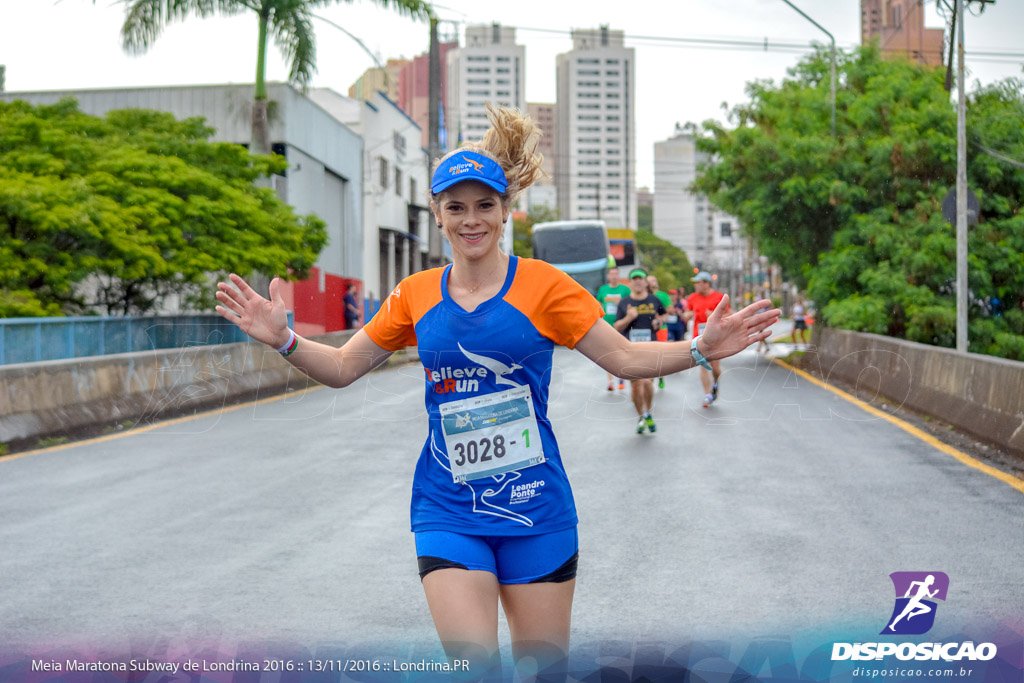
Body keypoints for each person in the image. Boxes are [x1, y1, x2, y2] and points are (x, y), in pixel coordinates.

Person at [214, 104, 779, 682]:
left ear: (506, 210)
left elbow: (625, 358)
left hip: (537, 507)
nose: (471, 219)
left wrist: (701, 348)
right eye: (456, 207)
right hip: (447, 507)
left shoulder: (544, 286)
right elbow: (340, 367)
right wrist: (283, 339)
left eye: (485, 205)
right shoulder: (413, 294)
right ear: (437, 214)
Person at [615, 268, 666, 434]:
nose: (637, 281)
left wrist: (659, 323)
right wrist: (629, 317)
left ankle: (649, 411)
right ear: (630, 282)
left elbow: (664, 316)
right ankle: (641, 415)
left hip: (651, 349)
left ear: (645, 282)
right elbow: (617, 326)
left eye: (640, 278)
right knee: (636, 386)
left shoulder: (654, 300)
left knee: (646, 382)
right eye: (634, 279)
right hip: (631, 350)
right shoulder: (624, 303)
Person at [685, 272, 729, 408]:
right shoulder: (692, 297)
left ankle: (715, 383)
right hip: (699, 337)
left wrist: (716, 315)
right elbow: (687, 313)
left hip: (716, 338)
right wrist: (688, 314)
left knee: (715, 368)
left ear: (706, 283)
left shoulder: (719, 297)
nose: (696, 286)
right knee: (703, 365)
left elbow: (731, 314)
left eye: (698, 283)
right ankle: (708, 394)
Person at [594, 267, 631, 391]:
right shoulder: (603, 289)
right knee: (608, 353)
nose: (614, 276)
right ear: (608, 276)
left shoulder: (625, 289)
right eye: (612, 274)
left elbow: (630, 304)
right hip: (607, 324)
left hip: (621, 324)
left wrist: (621, 304)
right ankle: (610, 381)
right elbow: (598, 303)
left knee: (620, 351)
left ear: (619, 276)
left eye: (616, 274)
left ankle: (621, 375)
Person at [646, 275, 672, 389]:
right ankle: (649, 378)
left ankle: (660, 375)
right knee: (649, 354)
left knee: (660, 354)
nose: (652, 282)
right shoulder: (644, 296)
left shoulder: (662, 295)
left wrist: (660, 315)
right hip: (647, 329)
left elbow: (669, 310)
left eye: (654, 280)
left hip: (661, 328)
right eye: (650, 281)